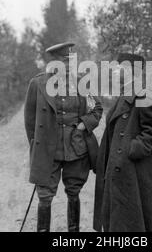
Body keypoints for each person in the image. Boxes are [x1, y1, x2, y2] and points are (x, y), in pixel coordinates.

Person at [24, 42, 103, 232]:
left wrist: (84, 124)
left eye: (71, 60)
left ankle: (73, 233)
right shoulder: (38, 83)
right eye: (65, 60)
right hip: (48, 151)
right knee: (44, 195)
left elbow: (97, 109)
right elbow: (30, 121)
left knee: (74, 192)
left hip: (76, 149)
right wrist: (37, 147)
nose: (69, 65)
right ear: (54, 62)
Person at [93, 53, 152, 232]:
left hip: (134, 173)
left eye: (118, 68)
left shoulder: (144, 96)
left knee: (133, 221)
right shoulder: (124, 94)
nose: (114, 71)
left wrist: (130, 150)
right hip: (119, 171)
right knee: (120, 221)